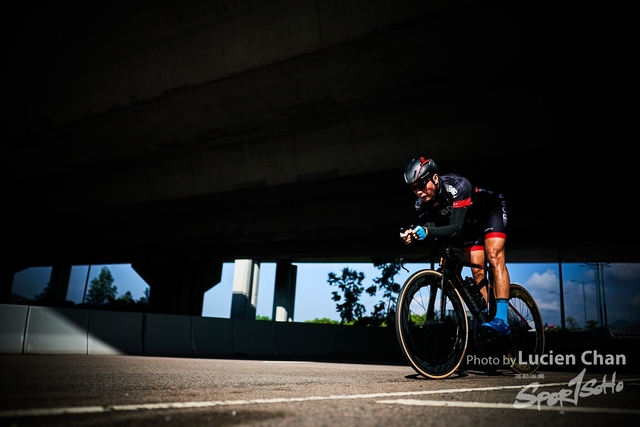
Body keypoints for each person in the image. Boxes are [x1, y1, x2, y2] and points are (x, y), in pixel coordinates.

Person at [399, 157, 511, 336]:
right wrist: (414, 234)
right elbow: (435, 233)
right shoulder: (421, 205)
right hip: (470, 224)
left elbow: (455, 228)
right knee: (478, 271)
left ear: (435, 178)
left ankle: (503, 320)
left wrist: (426, 232)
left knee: (493, 256)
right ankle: (487, 319)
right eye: (414, 188)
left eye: (421, 185)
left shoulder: (458, 185)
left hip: (490, 211)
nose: (419, 191)